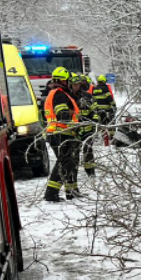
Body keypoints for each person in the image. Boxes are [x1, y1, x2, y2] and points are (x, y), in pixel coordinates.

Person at [43, 67, 81, 202]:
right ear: (64, 80)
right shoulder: (59, 94)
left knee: (70, 163)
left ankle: (72, 191)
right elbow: (63, 115)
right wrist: (72, 114)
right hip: (61, 133)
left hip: (61, 133)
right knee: (64, 163)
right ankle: (51, 193)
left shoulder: (57, 93)